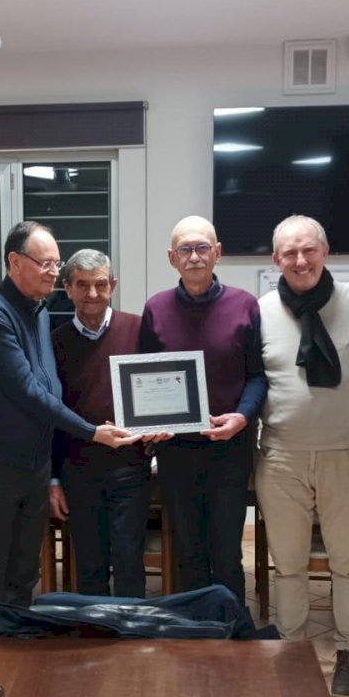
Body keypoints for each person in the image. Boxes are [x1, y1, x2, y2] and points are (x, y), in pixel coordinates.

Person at [0, 222, 137, 633]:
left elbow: (48, 383)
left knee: (24, 571)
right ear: (14, 262)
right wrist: (91, 431)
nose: (53, 272)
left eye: (56, 264)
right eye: (45, 263)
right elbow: (28, 391)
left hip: (34, 465)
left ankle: (13, 647)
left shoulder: (38, 309)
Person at [139, 215, 265, 602]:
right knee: (188, 551)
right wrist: (150, 422)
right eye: (185, 249)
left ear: (218, 253)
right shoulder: (156, 308)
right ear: (171, 258)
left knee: (226, 552)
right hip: (176, 452)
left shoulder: (245, 305)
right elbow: (145, 377)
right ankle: (195, 628)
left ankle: (230, 627)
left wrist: (242, 417)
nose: (194, 256)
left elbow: (258, 376)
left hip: (229, 450)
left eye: (202, 247)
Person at [50, 249, 152, 598]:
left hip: (130, 467)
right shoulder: (55, 342)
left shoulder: (139, 329)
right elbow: (52, 416)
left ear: (113, 285)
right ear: (67, 288)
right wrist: (54, 479)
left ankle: (130, 631)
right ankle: (95, 629)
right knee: (89, 565)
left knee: (129, 561)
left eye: (100, 285)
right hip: (78, 472)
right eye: (82, 285)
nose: (92, 294)